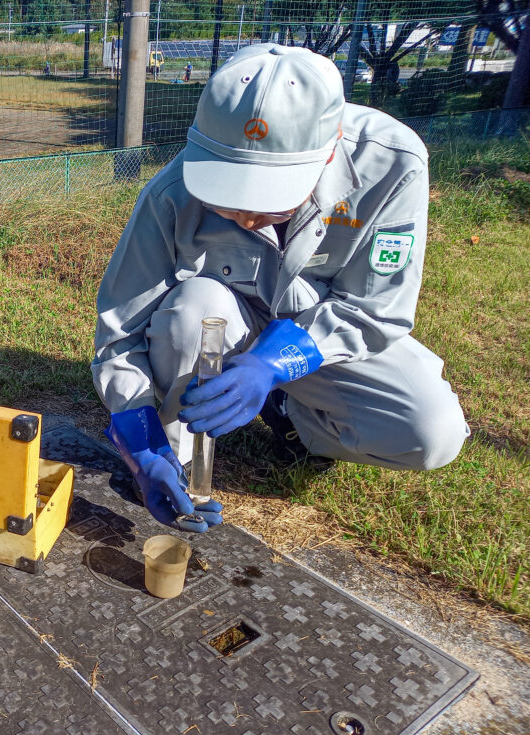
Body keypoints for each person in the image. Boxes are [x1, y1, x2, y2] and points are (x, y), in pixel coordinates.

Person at [93, 44, 469, 534]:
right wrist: (140, 444)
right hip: (224, 324)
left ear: (329, 149)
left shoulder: (392, 166)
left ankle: (287, 407)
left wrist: (275, 363)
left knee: (430, 432)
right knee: (194, 309)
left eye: (271, 200)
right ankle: (176, 458)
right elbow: (120, 335)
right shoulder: (171, 194)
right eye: (227, 196)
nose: (248, 217)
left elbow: (377, 310)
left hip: (320, 338)